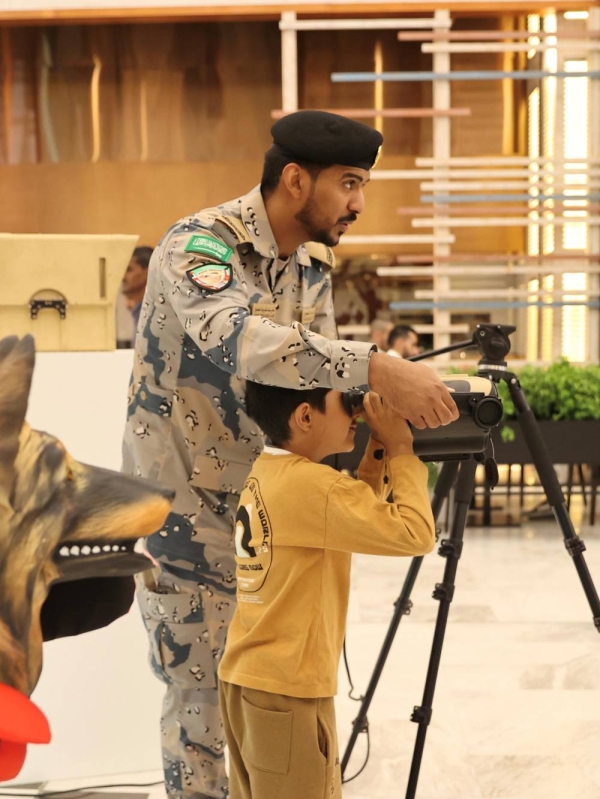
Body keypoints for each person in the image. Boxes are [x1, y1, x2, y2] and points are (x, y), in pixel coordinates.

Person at [122, 110, 457, 799]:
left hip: (272, 506)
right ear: (297, 181)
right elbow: (236, 337)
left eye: (363, 186)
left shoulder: (311, 264)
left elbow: (314, 382)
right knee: (200, 701)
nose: (359, 204)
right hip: (187, 510)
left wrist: (381, 416)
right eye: (349, 183)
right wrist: (378, 365)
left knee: (265, 703)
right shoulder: (199, 244)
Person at [219, 383, 435, 799]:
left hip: (247, 679)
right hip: (288, 692)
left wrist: (379, 442)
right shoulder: (315, 486)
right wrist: (401, 447)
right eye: (345, 401)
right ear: (305, 416)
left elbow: (353, 511)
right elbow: (416, 533)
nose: (355, 411)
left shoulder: (269, 469)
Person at [123, 245, 153, 330]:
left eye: (129, 270)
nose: (122, 276)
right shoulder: (138, 312)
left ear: (148, 272)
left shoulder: (155, 316)